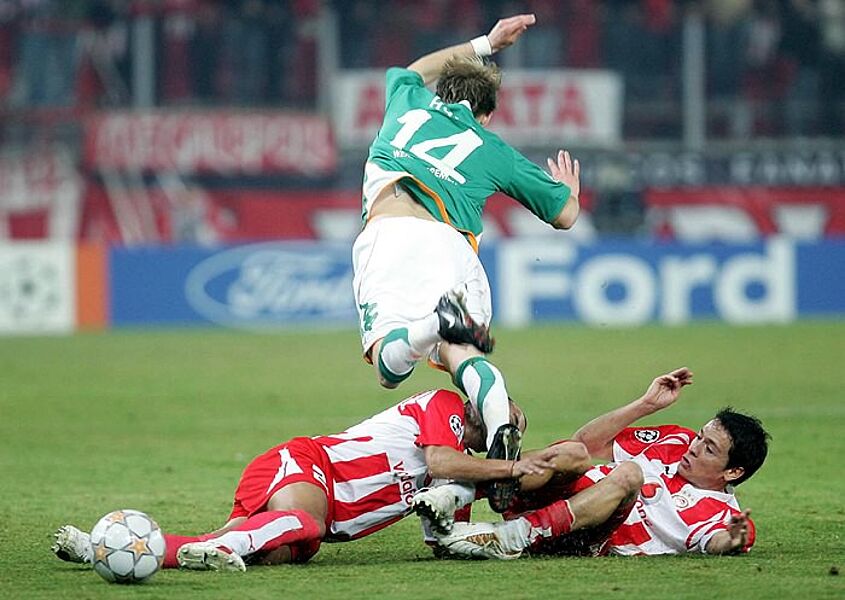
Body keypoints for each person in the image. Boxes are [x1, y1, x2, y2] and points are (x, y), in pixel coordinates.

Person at [352, 12, 581, 509]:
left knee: (390, 369)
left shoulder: (408, 101)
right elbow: (565, 215)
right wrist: (571, 191)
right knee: (463, 357)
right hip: (452, 247)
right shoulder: (492, 147)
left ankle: (435, 324)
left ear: (441, 92)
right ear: (487, 116)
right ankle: (500, 435)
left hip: (389, 234)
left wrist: (486, 44)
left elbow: (415, 68)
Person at [52, 388, 557, 572]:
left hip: (320, 514)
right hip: (307, 464)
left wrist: (482, 531)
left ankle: (100, 548)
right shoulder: (444, 407)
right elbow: (441, 461)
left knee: (257, 551)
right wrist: (513, 469)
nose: (509, 429)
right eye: (507, 417)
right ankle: (218, 546)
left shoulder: (462, 478)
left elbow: (440, 539)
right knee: (303, 524)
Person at [415, 368, 771, 558]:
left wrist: (732, 541)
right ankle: (455, 495)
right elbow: (589, 443)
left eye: (709, 449)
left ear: (733, 471)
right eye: (700, 436)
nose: (694, 446)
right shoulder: (676, 441)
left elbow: (718, 542)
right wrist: (645, 405)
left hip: (580, 535)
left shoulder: (723, 516)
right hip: (556, 493)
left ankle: (513, 536)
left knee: (629, 474)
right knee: (574, 452)